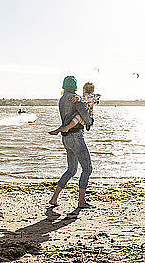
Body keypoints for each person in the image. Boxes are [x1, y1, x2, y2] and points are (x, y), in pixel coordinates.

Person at [49, 75, 93, 209]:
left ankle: (54, 198)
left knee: (71, 169)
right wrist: (90, 122)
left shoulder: (62, 100)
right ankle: (81, 201)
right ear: (75, 87)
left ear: (64, 87)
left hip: (66, 138)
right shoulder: (75, 99)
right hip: (76, 137)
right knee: (87, 168)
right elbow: (85, 115)